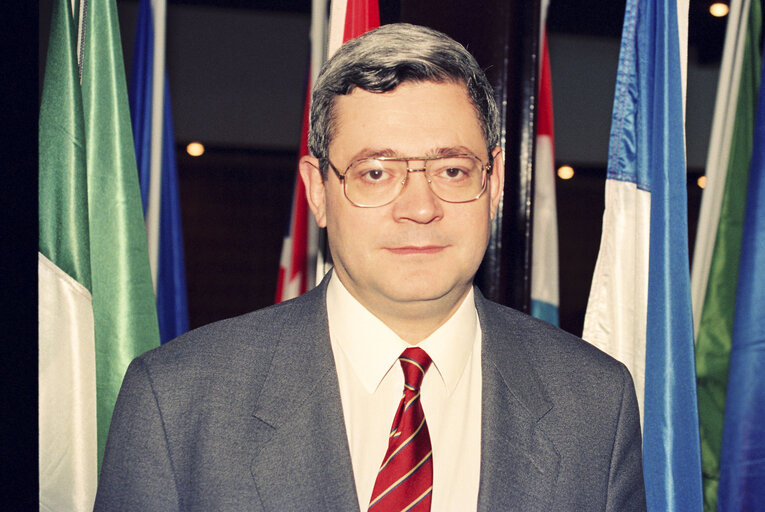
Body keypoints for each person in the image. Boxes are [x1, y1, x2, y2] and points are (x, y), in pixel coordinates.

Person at [94, 23, 646, 511]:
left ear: (494, 182)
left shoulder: (595, 405)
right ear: (318, 191)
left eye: (452, 170)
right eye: (376, 173)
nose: (421, 208)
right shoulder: (176, 401)